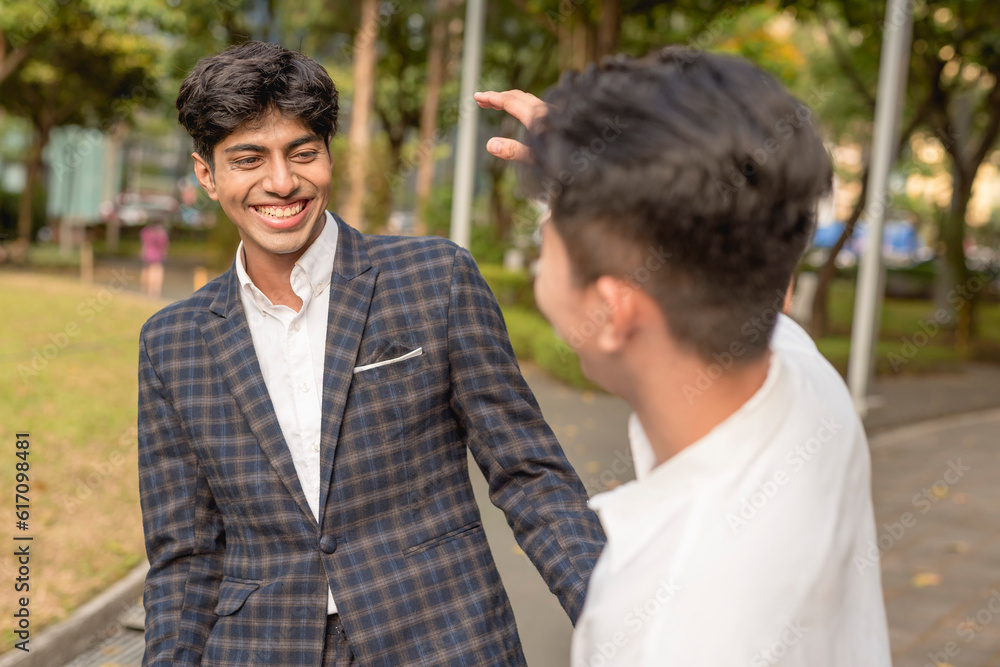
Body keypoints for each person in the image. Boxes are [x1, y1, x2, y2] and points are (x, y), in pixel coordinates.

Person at [137, 40, 604, 667]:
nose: (282, 182)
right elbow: (185, 559)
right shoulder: (171, 342)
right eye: (248, 159)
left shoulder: (435, 278)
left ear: (329, 153)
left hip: (446, 641)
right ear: (206, 174)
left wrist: (626, 622)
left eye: (302, 152)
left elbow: (531, 477)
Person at [476, 48, 891, 665]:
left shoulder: (659, 629)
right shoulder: (809, 385)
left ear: (611, 314)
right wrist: (597, 169)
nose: (543, 242)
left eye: (548, 241)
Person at [139, 221, 169, 298]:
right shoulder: (162, 233)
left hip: (148, 254)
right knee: (157, 272)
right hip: (158, 255)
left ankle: (146, 290)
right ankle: (155, 292)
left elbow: (144, 244)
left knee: (147, 271)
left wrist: (142, 253)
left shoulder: (147, 231)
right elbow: (165, 245)